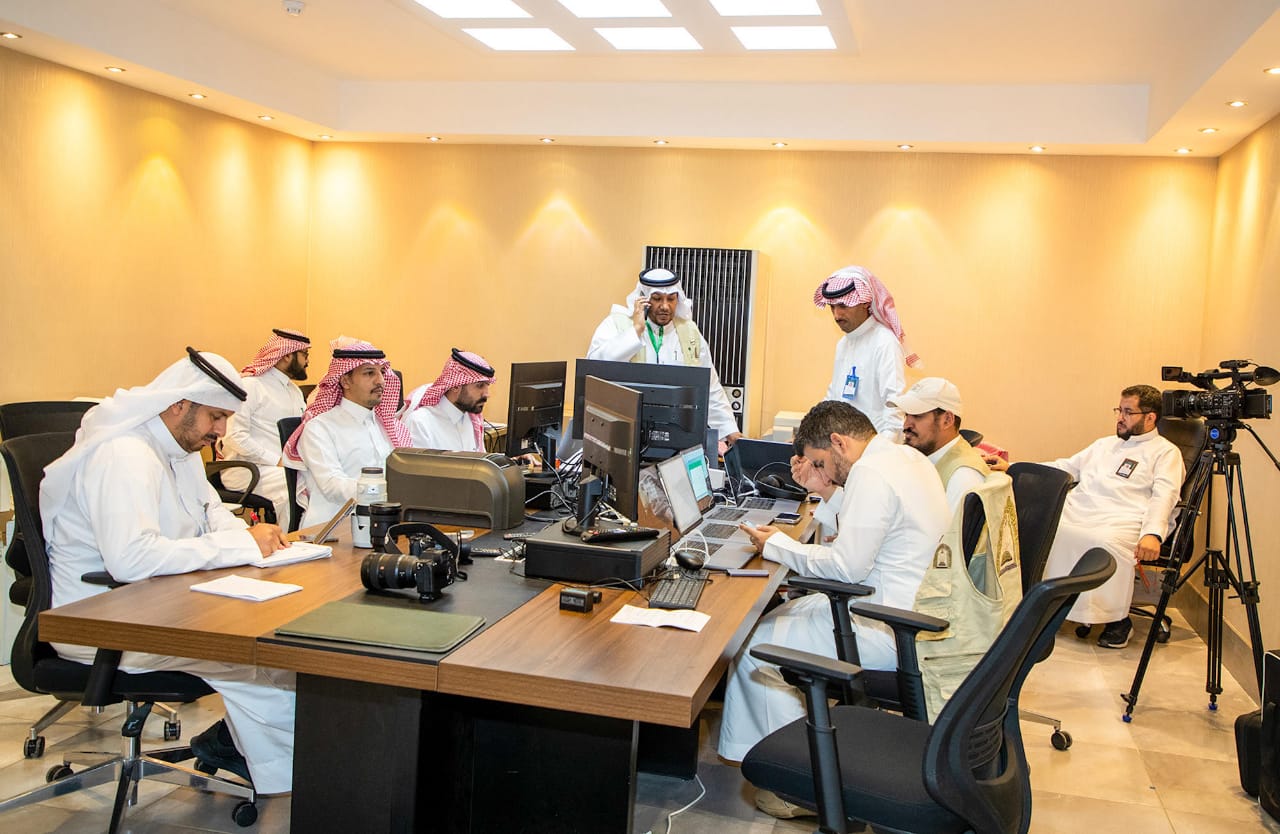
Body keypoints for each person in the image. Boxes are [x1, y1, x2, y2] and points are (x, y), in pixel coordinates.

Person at [40, 348, 296, 792]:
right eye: (216, 417)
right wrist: (239, 545)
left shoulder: (178, 450)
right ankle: (271, 767)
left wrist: (255, 539)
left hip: (159, 606)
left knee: (283, 655)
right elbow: (130, 559)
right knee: (265, 663)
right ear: (180, 404)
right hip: (103, 621)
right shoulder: (124, 454)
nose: (221, 432)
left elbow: (211, 511)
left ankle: (240, 746)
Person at [718, 400, 948, 818]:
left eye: (821, 462)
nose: (823, 471)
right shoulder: (903, 458)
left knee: (753, 645)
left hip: (885, 625)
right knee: (772, 619)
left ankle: (799, 785)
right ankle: (796, 751)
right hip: (906, 611)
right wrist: (822, 486)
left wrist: (777, 545)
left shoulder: (871, 474)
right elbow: (867, 527)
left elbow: (846, 567)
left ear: (839, 442)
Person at [990, 384, 1183, 648]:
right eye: (1119, 410)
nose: (1120, 418)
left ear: (1150, 417)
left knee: (1102, 542)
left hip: (1125, 516)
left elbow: (1165, 495)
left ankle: (1116, 620)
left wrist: (1152, 534)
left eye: (1128, 412)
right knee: (1045, 526)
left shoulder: (1166, 453)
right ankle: (1044, 606)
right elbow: (1064, 467)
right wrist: (1013, 466)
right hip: (1081, 507)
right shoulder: (1104, 445)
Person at [587, 267, 743, 445]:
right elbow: (595, 368)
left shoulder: (689, 332)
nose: (665, 306)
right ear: (643, 299)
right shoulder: (617, 324)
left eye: (671, 299)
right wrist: (635, 331)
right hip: (625, 435)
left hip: (677, 435)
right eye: (657, 298)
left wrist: (730, 431)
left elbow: (710, 386)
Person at [283, 337, 411, 528]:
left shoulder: (391, 427)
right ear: (345, 381)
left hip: (385, 525)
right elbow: (332, 486)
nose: (380, 381)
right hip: (332, 529)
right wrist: (385, 490)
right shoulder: (320, 428)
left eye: (382, 372)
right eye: (369, 373)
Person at [217, 328, 310, 529]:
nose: (307, 361)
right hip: (247, 470)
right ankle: (287, 542)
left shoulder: (294, 391)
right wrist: (276, 460)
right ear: (287, 355)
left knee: (317, 480)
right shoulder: (250, 386)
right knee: (295, 484)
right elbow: (234, 436)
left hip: (282, 468)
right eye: (304, 354)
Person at [814, 265, 920, 437]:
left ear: (864, 302)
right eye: (832, 307)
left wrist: (883, 448)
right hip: (844, 444)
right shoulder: (843, 344)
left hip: (874, 444)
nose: (836, 315)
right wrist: (811, 433)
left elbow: (894, 405)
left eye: (843, 305)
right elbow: (833, 397)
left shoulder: (885, 342)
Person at [888, 376, 985, 511]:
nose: (906, 425)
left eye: (917, 416)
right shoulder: (923, 459)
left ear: (947, 420)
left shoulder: (963, 477)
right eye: (906, 415)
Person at [400, 348, 495, 452]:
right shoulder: (420, 423)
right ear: (455, 386)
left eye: (487, 385)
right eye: (480, 386)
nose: (486, 394)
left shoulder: (472, 419)